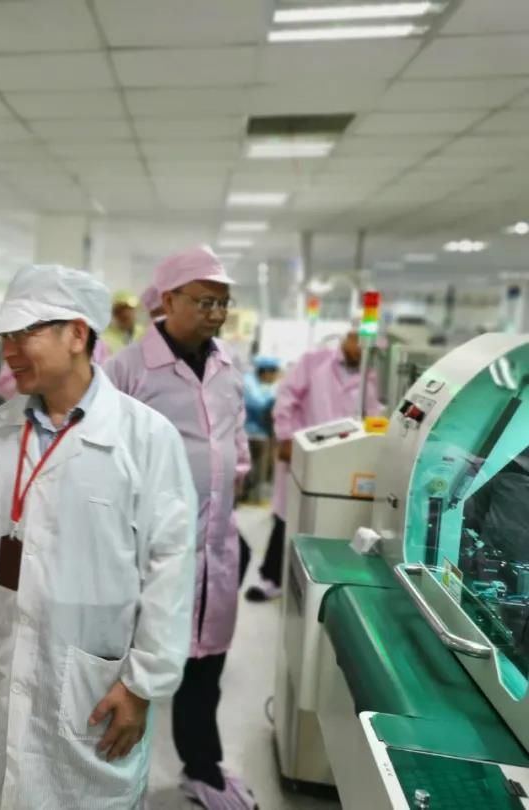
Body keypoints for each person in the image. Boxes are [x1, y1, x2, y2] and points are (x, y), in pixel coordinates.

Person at [0, 264, 198, 810]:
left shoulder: (146, 438)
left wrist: (143, 685)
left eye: (23, 334)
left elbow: (170, 568)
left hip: (95, 679)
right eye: (4, 336)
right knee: (7, 788)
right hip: (8, 659)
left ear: (77, 334)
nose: (8, 351)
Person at [104, 245, 256, 810]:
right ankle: (111, 780)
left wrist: (232, 481)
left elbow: (235, 438)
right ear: (168, 300)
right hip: (145, 548)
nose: (216, 313)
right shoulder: (125, 370)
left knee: (206, 664)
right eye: (204, 301)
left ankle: (202, 768)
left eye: (223, 303)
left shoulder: (228, 364)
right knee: (128, 665)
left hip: (215, 541)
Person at [246, 329, 382, 603]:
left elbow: (372, 414)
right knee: (287, 518)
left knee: (327, 520)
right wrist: (286, 437)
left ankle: (316, 582)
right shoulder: (314, 361)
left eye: (369, 347)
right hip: (303, 452)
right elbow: (286, 399)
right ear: (347, 337)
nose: (361, 350)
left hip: (341, 460)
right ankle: (271, 579)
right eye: (358, 342)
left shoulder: (369, 375)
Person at [241, 356, 280, 503]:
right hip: (249, 433)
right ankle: (246, 496)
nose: (274, 378)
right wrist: (275, 399)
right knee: (249, 467)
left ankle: (254, 497)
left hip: (261, 433)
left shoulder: (261, 384)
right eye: (274, 374)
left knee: (259, 468)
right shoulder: (248, 382)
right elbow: (259, 404)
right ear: (266, 372)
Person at [102, 290, 144, 355]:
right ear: (114, 313)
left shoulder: (144, 333)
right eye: (120, 311)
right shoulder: (104, 338)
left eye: (131, 310)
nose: (127, 313)